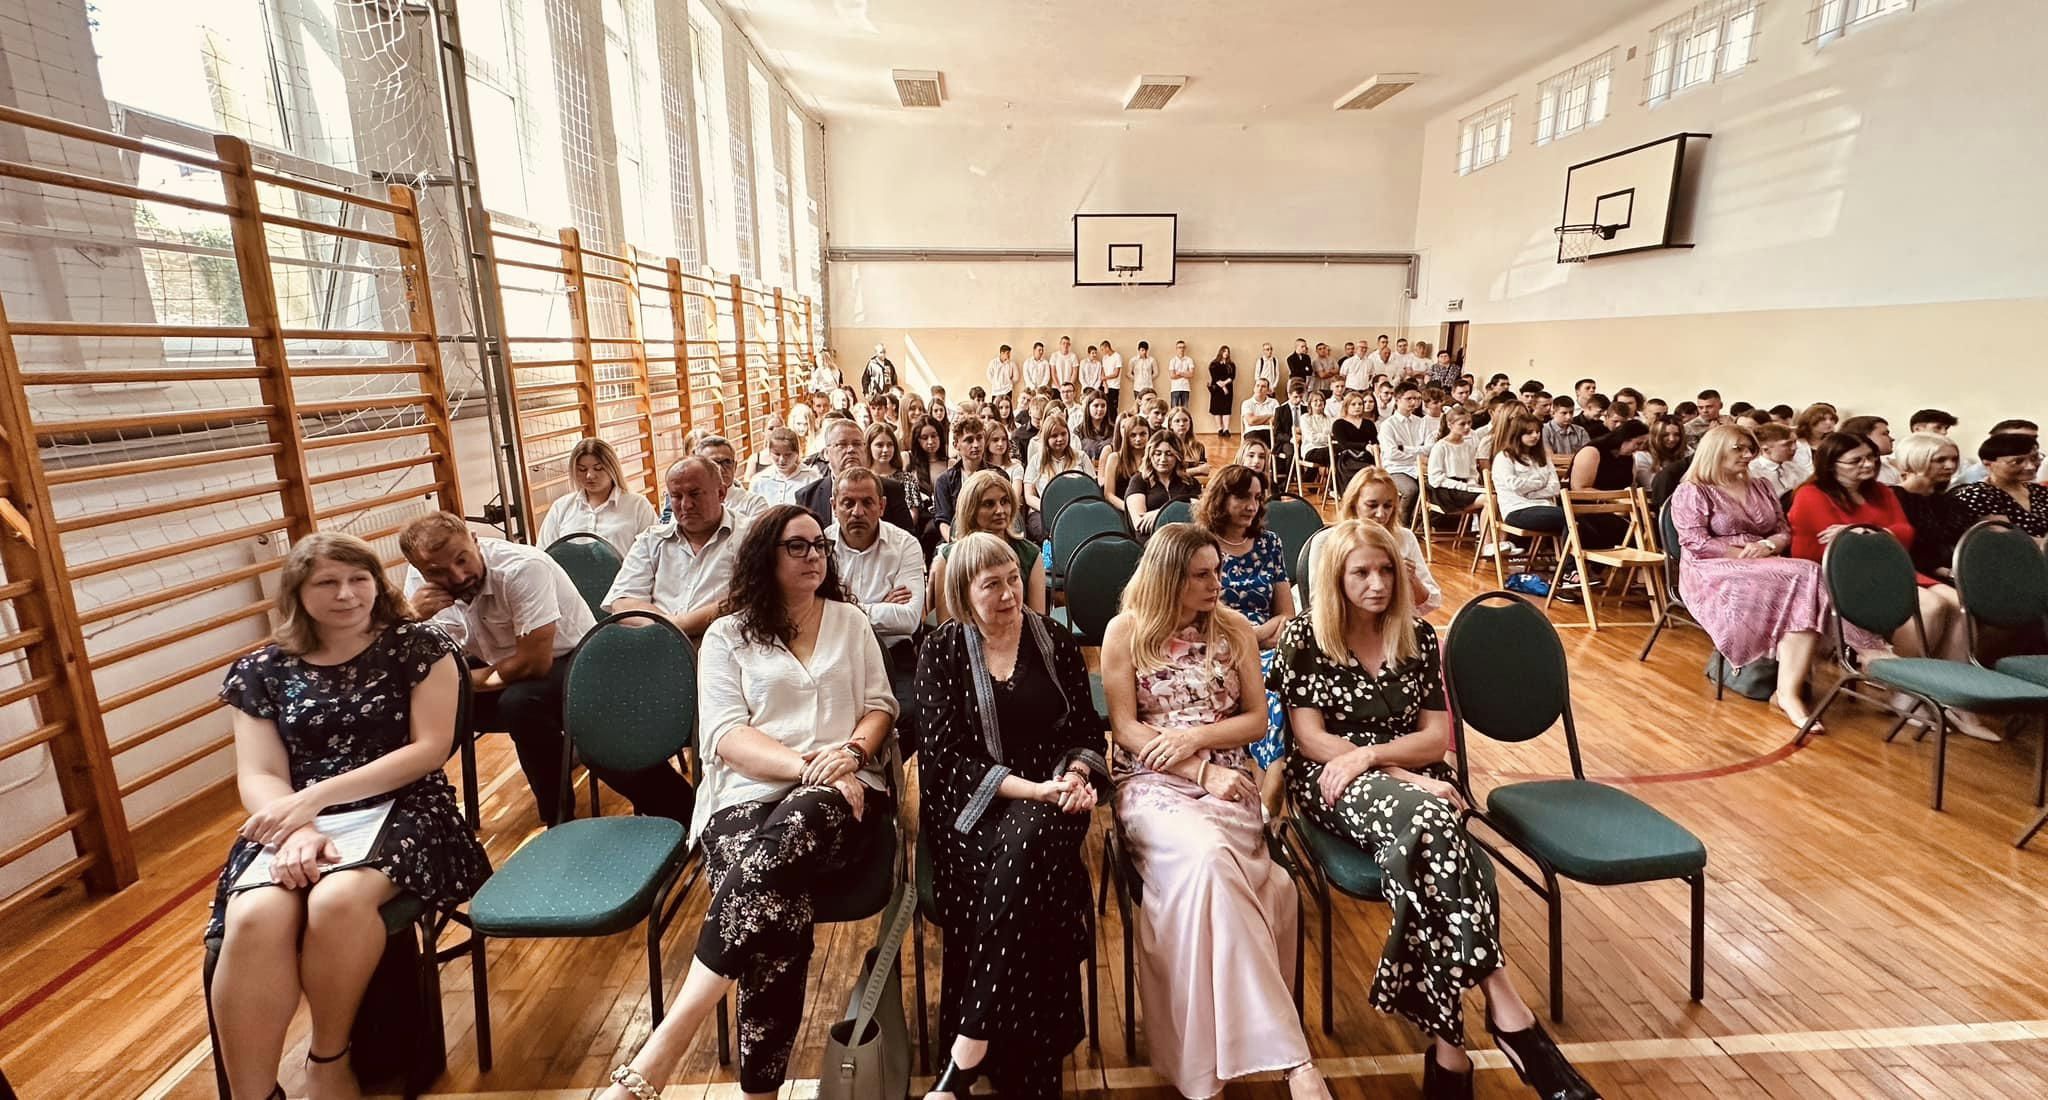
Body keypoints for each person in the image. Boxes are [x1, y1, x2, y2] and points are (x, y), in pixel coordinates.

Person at [1272, 520, 1595, 1100]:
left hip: (1409, 776)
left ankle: (1451, 1054)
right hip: (1333, 779)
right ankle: (1507, 1012)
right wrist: (1390, 771)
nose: (1377, 584)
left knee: (1431, 844)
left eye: (1386, 570)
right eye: (1361, 573)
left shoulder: (1417, 636)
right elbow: (1311, 738)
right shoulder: (1305, 635)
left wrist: (1381, 757)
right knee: (1435, 822)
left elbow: (1434, 737)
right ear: (1335, 578)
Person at [599, 506, 898, 1100]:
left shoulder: (850, 622)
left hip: (842, 796)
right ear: (765, 556)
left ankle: (666, 1044)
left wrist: (850, 755)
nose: (814, 556)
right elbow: (726, 736)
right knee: (775, 911)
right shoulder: (726, 635)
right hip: (747, 793)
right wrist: (808, 767)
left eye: (819, 546)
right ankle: (759, 1093)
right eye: (797, 546)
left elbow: (879, 706)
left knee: (800, 821)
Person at [209, 533, 490, 1100]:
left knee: (336, 902)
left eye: (358, 579)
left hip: (404, 803)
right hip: (294, 820)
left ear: (377, 584)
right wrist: (299, 827)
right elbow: (258, 773)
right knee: (256, 916)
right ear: (297, 593)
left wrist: (315, 799)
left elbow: (429, 750)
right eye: (327, 583)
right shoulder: (261, 669)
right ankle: (252, 1093)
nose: (346, 594)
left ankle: (328, 1058)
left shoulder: (418, 646)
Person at [1098, 525, 1331, 1100]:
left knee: (1215, 870)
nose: (1216, 583)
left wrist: (1198, 739)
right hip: (1153, 780)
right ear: (1168, 579)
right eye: (1201, 575)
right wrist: (1196, 768)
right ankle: (1294, 1059)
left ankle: (1206, 1069)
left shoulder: (1234, 629)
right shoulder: (1125, 631)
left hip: (1229, 779)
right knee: (1208, 860)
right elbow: (1125, 728)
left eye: (1216, 571)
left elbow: (1256, 720)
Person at [914, 533, 1111, 1100]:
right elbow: (945, 759)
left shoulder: (1053, 640)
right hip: (973, 810)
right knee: (1030, 867)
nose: (1008, 595)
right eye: (992, 585)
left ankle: (969, 1045)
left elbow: (1085, 731)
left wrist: (1076, 776)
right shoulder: (942, 650)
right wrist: (1033, 790)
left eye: (1013, 580)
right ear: (963, 593)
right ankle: (1029, 1069)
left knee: (1030, 838)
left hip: (1056, 799)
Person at [402, 513, 692, 825]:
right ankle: (416, 818)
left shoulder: (522, 568)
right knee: (417, 704)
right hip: (495, 663)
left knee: (522, 704)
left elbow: (533, 664)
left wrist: (457, 681)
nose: (457, 577)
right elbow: (413, 665)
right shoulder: (421, 583)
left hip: (576, 659)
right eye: (438, 572)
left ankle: (561, 818)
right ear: (420, 569)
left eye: (462, 560)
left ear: (475, 540)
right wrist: (410, 619)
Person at [1787, 433, 1996, 738]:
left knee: (1961, 605)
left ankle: (1951, 696)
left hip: (1889, 568)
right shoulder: (1811, 494)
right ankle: (1902, 688)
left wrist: (1861, 530)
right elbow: (1837, 546)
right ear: (1832, 464)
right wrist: (1875, 533)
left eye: (1871, 458)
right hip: (1839, 576)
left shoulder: (1881, 492)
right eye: (1856, 460)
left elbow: (1906, 532)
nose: (1867, 465)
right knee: (1931, 607)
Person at [1669, 426, 1837, 731]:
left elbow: (1783, 530)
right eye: (1740, 449)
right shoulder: (1693, 490)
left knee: (1807, 576)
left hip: (1765, 560)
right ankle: (1790, 691)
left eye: (1751, 449)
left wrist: (1768, 545)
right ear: (1715, 450)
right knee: (1807, 574)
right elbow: (1695, 543)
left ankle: (1787, 691)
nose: (1748, 455)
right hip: (1712, 567)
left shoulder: (1761, 485)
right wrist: (1745, 554)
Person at [608, 456, 753, 642]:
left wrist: (677, 626)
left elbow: (745, 600)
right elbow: (622, 603)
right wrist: (670, 629)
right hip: (657, 644)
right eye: (676, 496)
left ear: (721, 493)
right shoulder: (651, 540)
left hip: (727, 645)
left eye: (695, 494)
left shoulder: (751, 536)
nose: (686, 505)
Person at [828, 468, 927, 656]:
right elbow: (813, 613)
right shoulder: (821, 546)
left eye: (867, 503)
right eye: (848, 503)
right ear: (834, 507)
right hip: (836, 649)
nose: (857, 512)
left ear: (881, 506)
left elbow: (909, 619)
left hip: (893, 652)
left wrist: (843, 608)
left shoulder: (905, 545)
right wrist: (880, 606)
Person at [1197, 464, 1295, 646]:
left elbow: (1286, 614)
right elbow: (1197, 619)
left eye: (1257, 498)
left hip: (1269, 643)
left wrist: (1259, 638)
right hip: (1215, 645)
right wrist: (1254, 638)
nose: (1252, 506)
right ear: (1220, 498)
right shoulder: (1200, 545)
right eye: (1243, 497)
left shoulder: (1269, 543)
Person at [1328, 467, 1444, 616]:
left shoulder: (1406, 538)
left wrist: (1411, 579)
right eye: (1372, 505)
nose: (1381, 514)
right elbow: (1320, 603)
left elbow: (1429, 602)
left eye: (1388, 506)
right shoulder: (1327, 542)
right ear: (1353, 504)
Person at [933, 469, 1047, 619]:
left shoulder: (1030, 555)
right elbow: (946, 625)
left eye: (1004, 501)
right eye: (988, 504)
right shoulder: (947, 559)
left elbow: (1036, 621)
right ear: (971, 509)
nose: (1000, 510)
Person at [535, 437, 658, 558]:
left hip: (625, 572)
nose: (589, 475)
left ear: (612, 468)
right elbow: (543, 555)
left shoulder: (638, 505)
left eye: (598, 468)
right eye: (582, 469)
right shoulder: (561, 507)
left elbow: (654, 554)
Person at [800, 417, 916, 534]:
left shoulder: (891, 490)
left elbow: (907, 536)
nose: (851, 449)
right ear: (826, 453)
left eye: (857, 444)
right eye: (842, 444)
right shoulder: (808, 496)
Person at [1892, 432, 1970, 583]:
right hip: (1913, 574)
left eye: (1954, 459)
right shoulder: (1895, 498)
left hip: (1955, 570)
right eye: (1940, 460)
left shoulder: (1947, 500)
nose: (1950, 466)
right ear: (1916, 459)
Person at [1566, 419, 1651, 549]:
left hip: (1618, 508)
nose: (1640, 448)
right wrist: (1616, 500)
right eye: (1638, 443)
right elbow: (1579, 489)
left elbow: (1630, 486)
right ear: (1624, 438)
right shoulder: (1592, 452)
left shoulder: (1628, 458)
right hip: (1589, 509)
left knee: (1652, 521)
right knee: (1627, 528)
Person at [1951, 433, 2048, 536]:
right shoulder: (1978, 494)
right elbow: (2006, 537)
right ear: (1987, 463)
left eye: (2034, 458)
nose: (2030, 466)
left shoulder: (2040, 491)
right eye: (2017, 462)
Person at [1022, 413, 1094, 539]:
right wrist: (1049, 509)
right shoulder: (1036, 461)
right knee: (1053, 532)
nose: (1060, 439)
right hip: (1043, 512)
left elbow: (1092, 488)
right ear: (1046, 438)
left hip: (1077, 509)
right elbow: (1029, 496)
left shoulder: (1081, 457)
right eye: (1054, 436)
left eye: (1063, 434)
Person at [934, 417, 1006, 541]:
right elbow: (943, 522)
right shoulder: (944, 481)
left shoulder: (999, 476)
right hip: (957, 539)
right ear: (956, 444)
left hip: (992, 538)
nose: (976, 445)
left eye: (979, 438)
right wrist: (956, 544)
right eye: (969, 440)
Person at [1122, 434, 1202, 537]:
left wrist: (1158, 514)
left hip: (1185, 540)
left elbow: (1199, 519)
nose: (1163, 459)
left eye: (1169, 454)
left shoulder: (1190, 482)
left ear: (1178, 456)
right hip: (1151, 540)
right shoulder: (1139, 481)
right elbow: (1139, 523)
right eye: (1157, 454)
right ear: (1150, 456)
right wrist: (1180, 514)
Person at [1380, 383, 1430, 521]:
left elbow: (1429, 448)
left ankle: (1422, 522)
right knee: (1411, 490)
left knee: (1435, 487)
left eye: (1417, 399)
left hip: (1419, 467)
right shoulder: (1388, 425)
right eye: (1409, 399)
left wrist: (1406, 449)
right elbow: (1392, 454)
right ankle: (1400, 524)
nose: (1414, 402)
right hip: (1395, 468)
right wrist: (1418, 455)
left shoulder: (1421, 422)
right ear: (1397, 400)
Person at [1427, 407, 1483, 522]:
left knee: (1494, 497)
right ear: (1450, 425)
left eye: (1469, 423)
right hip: (1447, 490)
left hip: (1465, 488)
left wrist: (1472, 484)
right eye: (1462, 424)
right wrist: (1462, 486)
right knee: (1488, 500)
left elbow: (1472, 472)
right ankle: (1487, 534)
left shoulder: (1468, 446)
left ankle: (1485, 532)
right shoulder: (1441, 447)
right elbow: (1435, 478)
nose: (1467, 427)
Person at [751, 426, 822, 507]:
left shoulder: (812, 478)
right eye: (777, 454)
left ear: (797, 453)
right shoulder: (759, 480)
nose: (782, 460)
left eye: (788, 455)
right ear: (769, 452)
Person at [1097, 415, 1152, 515]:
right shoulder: (1115, 458)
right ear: (1126, 436)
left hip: (1148, 510)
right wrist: (1129, 508)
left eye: (1143, 434)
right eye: (1133, 435)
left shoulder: (1153, 459)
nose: (1138, 439)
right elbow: (1109, 494)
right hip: (1121, 509)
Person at [1748, 423, 1805, 501]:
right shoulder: (1753, 474)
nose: (1794, 447)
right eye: (1787, 444)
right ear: (1766, 449)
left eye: (1795, 442)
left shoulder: (1794, 468)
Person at [1840, 415, 1901, 486]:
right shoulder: (1846, 474)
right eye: (1884, 434)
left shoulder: (1890, 470)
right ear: (1864, 438)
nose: (1892, 439)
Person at [1166, 405, 1211, 477]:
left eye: (1185, 420)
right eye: (1177, 421)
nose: (1182, 424)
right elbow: (1169, 474)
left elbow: (1205, 470)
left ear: (1190, 423)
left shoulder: (1198, 446)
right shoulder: (1165, 445)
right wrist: (1197, 470)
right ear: (1170, 425)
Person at [1240, 375, 1279, 447]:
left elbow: (1276, 420)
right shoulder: (1247, 403)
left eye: (1263, 386)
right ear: (1254, 388)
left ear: (1268, 390)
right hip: (1252, 432)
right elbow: (1251, 421)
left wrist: (1257, 420)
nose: (1260, 388)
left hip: (1269, 431)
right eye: (1257, 386)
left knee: (1280, 442)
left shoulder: (1274, 402)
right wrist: (1268, 416)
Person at [1208, 345, 1237, 436]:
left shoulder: (1231, 364)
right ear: (1221, 352)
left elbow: (1232, 377)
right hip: (1217, 389)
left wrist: (1225, 383)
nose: (1226, 353)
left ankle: (1226, 429)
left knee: (1226, 409)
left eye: (1228, 352)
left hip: (1228, 389)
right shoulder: (1214, 364)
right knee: (1217, 409)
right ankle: (1220, 429)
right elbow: (1215, 377)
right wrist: (1223, 387)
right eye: (1224, 351)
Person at [1167, 340, 1196, 409]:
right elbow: (1172, 376)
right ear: (1176, 349)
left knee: (1185, 410)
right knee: (1174, 410)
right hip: (1175, 388)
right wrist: (1185, 373)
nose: (1181, 349)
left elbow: (1191, 374)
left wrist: (1179, 373)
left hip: (1185, 388)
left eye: (1183, 347)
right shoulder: (1173, 360)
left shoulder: (1189, 360)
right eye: (1179, 347)